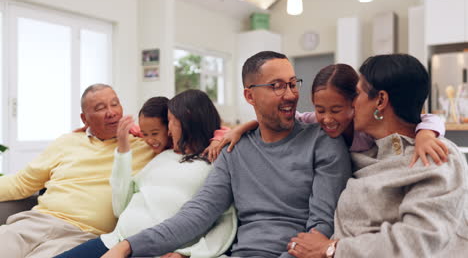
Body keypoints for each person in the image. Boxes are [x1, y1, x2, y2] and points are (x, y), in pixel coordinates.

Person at [101, 51, 352, 258]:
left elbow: (321, 228)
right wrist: (128, 246)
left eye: (292, 83)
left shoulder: (323, 141)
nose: (290, 94)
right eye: (276, 86)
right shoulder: (235, 150)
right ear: (249, 95)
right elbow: (198, 213)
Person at [287, 54, 468, 258]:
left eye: (356, 94)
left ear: (380, 100)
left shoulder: (434, 155)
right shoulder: (357, 152)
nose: (351, 104)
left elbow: (416, 243)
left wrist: (330, 249)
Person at [56, 92, 237, 258]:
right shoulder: (162, 157)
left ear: (187, 121)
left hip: (156, 252)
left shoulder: (215, 163)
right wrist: (123, 149)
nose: (168, 130)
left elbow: (225, 222)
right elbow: (120, 207)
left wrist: (188, 253)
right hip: (113, 242)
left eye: (171, 121)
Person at [0, 84, 155, 258]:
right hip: (37, 222)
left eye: (115, 104)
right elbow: (20, 182)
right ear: (85, 119)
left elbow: (180, 141)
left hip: (81, 235)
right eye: (100, 108)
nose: (111, 112)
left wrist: (147, 130)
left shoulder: (145, 147)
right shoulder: (67, 142)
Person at [215, 63, 447, 167]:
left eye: (336, 110)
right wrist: (240, 129)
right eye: (319, 109)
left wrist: (426, 136)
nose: (327, 118)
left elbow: (429, 118)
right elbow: (283, 119)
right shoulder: (316, 121)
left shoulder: (365, 128)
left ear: (354, 102)